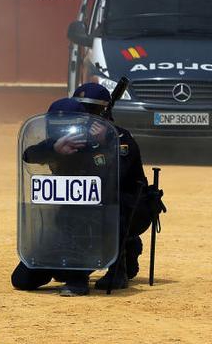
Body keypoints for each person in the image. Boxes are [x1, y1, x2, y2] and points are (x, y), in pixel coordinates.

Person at [71, 83, 164, 290]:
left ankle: (119, 267)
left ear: (104, 112)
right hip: (88, 206)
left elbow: (114, 177)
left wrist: (104, 143)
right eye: (80, 109)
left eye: (90, 110)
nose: (84, 115)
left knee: (112, 204)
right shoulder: (73, 137)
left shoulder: (121, 139)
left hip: (128, 210)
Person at [10, 97, 100, 296]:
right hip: (59, 222)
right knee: (22, 280)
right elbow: (29, 155)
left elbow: (114, 176)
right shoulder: (56, 144)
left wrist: (99, 146)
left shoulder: (100, 144)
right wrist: (54, 149)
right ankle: (56, 268)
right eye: (56, 126)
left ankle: (80, 275)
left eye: (68, 127)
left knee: (74, 268)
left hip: (92, 224)